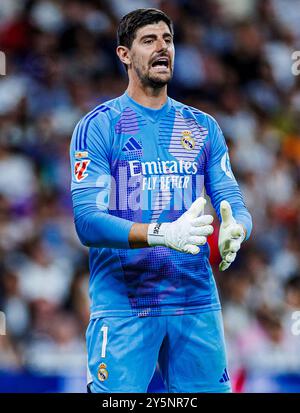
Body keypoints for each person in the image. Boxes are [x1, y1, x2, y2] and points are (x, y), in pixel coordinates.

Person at [70, 8, 252, 393]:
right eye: (149, 40)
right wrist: (161, 233)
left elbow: (230, 199)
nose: (162, 47)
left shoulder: (202, 126)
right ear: (124, 54)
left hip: (195, 302)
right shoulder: (100, 126)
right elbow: (87, 221)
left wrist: (238, 227)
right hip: (124, 306)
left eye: (167, 39)